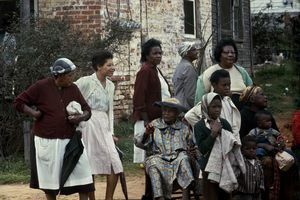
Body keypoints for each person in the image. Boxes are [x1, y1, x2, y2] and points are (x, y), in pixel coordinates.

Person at [13, 58, 94, 200]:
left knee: (84, 178)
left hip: (71, 141)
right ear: (59, 76)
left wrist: (79, 118)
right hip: (46, 141)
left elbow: (87, 110)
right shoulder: (41, 86)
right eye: (69, 75)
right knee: (50, 185)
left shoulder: (73, 88)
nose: (72, 78)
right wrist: (34, 113)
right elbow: (19, 102)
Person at [74, 50, 123, 200]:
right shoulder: (85, 81)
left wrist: (112, 132)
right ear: (98, 67)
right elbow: (71, 95)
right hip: (88, 124)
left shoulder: (110, 85)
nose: (113, 67)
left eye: (112, 64)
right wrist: (77, 117)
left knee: (115, 163)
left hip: (104, 126)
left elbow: (110, 111)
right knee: (89, 164)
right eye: (109, 65)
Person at [132, 38, 171, 199]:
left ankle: (152, 192)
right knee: (151, 159)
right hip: (149, 122)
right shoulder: (145, 71)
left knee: (155, 159)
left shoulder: (155, 69)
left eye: (160, 53)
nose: (158, 56)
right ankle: (149, 194)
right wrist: (148, 122)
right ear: (146, 55)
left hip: (158, 120)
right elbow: (139, 99)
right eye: (155, 53)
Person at [134, 98, 194, 200]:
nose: (166, 113)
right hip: (159, 157)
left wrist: (192, 152)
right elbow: (139, 143)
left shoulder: (184, 128)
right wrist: (146, 133)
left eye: (170, 111)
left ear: (176, 113)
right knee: (152, 163)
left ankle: (185, 197)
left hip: (178, 159)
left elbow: (192, 146)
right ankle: (160, 197)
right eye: (164, 110)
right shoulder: (154, 125)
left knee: (184, 159)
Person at [194, 92, 245, 200]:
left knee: (225, 195)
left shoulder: (224, 123)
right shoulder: (199, 126)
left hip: (225, 167)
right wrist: (213, 134)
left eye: (219, 106)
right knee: (211, 196)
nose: (217, 109)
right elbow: (202, 149)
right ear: (205, 107)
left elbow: (231, 143)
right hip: (208, 168)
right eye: (214, 107)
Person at [194, 38, 253, 110]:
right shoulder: (208, 73)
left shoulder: (242, 72)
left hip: (242, 111)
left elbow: (252, 91)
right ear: (219, 54)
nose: (230, 55)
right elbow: (199, 101)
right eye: (226, 53)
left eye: (233, 52)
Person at [185, 69, 241, 143]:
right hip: (216, 141)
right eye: (224, 85)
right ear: (214, 85)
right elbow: (189, 115)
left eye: (229, 85)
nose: (227, 87)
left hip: (230, 139)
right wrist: (207, 128)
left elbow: (234, 122)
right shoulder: (209, 101)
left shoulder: (227, 100)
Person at [233, 135, 264, 200]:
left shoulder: (258, 162)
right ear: (242, 150)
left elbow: (261, 175)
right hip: (243, 193)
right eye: (247, 149)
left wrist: (261, 186)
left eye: (254, 148)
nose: (251, 150)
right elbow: (236, 175)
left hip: (256, 193)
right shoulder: (241, 162)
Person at [172, 41, 199, 110]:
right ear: (186, 53)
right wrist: (197, 109)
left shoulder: (181, 65)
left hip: (178, 104)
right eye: (193, 50)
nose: (197, 52)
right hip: (186, 108)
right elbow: (190, 95)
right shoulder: (188, 67)